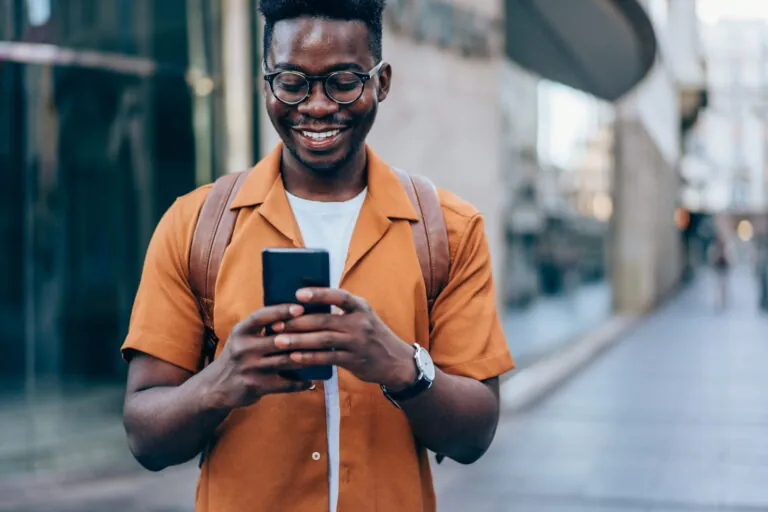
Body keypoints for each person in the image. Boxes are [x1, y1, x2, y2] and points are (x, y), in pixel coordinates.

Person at [120, 0, 515, 510]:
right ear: (266, 85)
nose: (318, 106)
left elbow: (474, 435)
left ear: (382, 82)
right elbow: (144, 438)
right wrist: (222, 380)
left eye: (344, 81)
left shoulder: (450, 231)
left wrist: (399, 365)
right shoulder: (195, 225)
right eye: (291, 81)